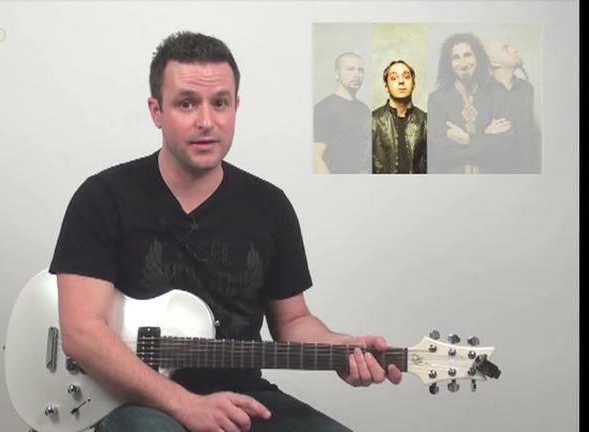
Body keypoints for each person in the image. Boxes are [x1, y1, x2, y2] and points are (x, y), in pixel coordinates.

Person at [49, 31, 402, 432]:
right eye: (186, 103)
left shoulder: (270, 206)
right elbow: (82, 332)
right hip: (133, 399)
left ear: (236, 106)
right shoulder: (103, 198)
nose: (206, 121)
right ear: (156, 111)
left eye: (220, 103)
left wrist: (342, 348)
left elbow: (292, 321)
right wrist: (185, 404)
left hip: (242, 394)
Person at [427, 32, 513, 173]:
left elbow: (505, 146)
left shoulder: (497, 93)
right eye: (456, 57)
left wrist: (465, 139)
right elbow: (439, 153)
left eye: (468, 55)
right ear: (448, 64)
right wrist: (486, 138)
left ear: (477, 57)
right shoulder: (437, 99)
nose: (463, 63)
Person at [486, 39, 541, 173]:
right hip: (496, 172)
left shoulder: (527, 88)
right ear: (495, 62)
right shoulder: (480, 91)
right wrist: (484, 134)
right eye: (506, 48)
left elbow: (531, 130)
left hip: (528, 170)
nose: (514, 49)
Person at [313, 52, 371, 174]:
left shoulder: (365, 110)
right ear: (337, 74)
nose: (356, 74)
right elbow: (315, 158)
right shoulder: (323, 108)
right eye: (350, 69)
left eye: (360, 70)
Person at [371, 60, 427, 174]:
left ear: (413, 84)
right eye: (394, 78)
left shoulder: (425, 121)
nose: (401, 81)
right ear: (386, 87)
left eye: (406, 77)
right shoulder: (372, 121)